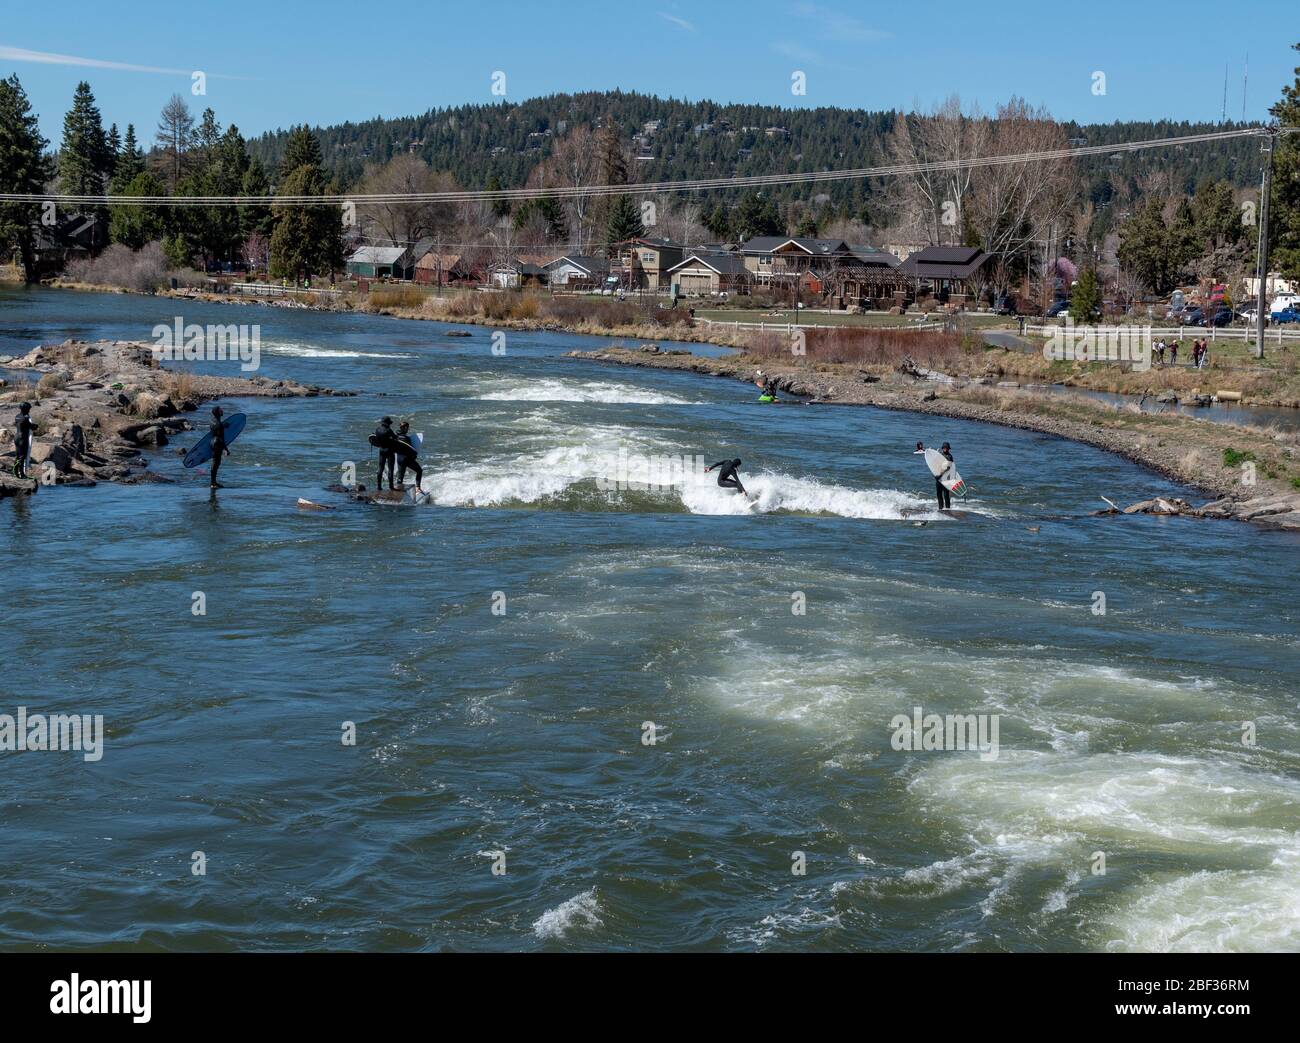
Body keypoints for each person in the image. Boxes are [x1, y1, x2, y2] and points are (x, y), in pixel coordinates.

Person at [915, 440, 955, 510]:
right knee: (939, 494)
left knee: (946, 494)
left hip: (945, 478)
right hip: (938, 478)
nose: (945, 449)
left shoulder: (949, 456)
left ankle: (947, 509)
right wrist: (926, 451)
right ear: (942, 448)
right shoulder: (940, 455)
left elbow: (948, 468)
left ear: (948, 448)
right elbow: (935, 462)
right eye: (944, 447)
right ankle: (940, 508)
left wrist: (940, 475)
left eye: (946, 448)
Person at [394, 420, 423, 492]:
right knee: (419, 471)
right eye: (407, 428)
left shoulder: (395, 436)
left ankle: (397, 491)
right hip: (406, 459)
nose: (408, 430)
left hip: (399, 458)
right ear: (405, 428)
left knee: (400, 476)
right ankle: (418, 488)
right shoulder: (406, 438)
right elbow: (410, 450)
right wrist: (414, 456)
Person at [371, 416, 398, 490]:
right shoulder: (388, 430)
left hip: (381, 450)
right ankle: (391, 487)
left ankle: (379, 487)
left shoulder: (377, 429)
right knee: (391, 469)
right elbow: (395, 438)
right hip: (389, 451)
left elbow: (375, 438)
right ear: (387, 423)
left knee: (380, 468)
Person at [208, 406, 231, 489]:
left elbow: (214, 431)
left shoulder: (211, 421)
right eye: (220, 410)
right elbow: (222, 437)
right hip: (217, 443)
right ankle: (212, 483)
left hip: (212, 442)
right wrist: (226, 449)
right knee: (216, 463)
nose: (222, 410)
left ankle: (213, 482)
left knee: (215, 462)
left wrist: (223, 426)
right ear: (218, 412)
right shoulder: (220, 425)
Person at [12, 401, 34, 479]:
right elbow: (31, 427)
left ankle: (15, 473)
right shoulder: (26, 417)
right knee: (22, 456)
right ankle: (22, 474)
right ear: (26, 409)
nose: (29, 410)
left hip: (17, 437)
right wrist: (35, 426)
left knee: (17, 455)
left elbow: (23, 425)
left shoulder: (17, 416)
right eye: (29, 409)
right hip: (23, 439)